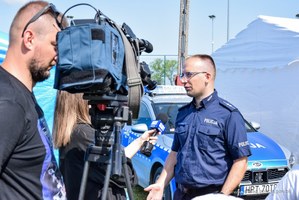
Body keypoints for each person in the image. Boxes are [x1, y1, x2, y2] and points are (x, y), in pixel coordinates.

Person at [145, 54, 252, 200]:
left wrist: (221, 197)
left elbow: (240, 161)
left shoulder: (228, 114)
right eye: (183, 75)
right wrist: (160, 184)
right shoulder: (183, 113)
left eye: (189, 75)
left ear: (207, 76)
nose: (183, 80)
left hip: (212, 195)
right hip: (181, 194)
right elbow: (175, 154)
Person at [0, 1, 66, 199]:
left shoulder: (22, 94)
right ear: (29, 39)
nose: (58, 57)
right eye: (55, 46)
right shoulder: (9, 103)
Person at [52, 90, 160, 200]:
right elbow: (124, 176)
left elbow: (111, 162)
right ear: (82, 100)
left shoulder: (75, 134)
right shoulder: (84, 135)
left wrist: (140, 141)